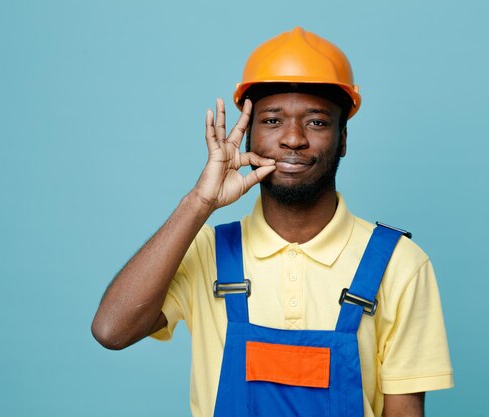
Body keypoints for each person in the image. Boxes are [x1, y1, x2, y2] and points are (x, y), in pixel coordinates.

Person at [91, 27, 453, 417]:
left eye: (316, 122)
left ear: (343, 138)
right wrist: (200, 202)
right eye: (272, 121)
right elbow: (112, 331)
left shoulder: (399, 263)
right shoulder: (207, 252)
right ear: (248, 139)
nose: (293, 139)